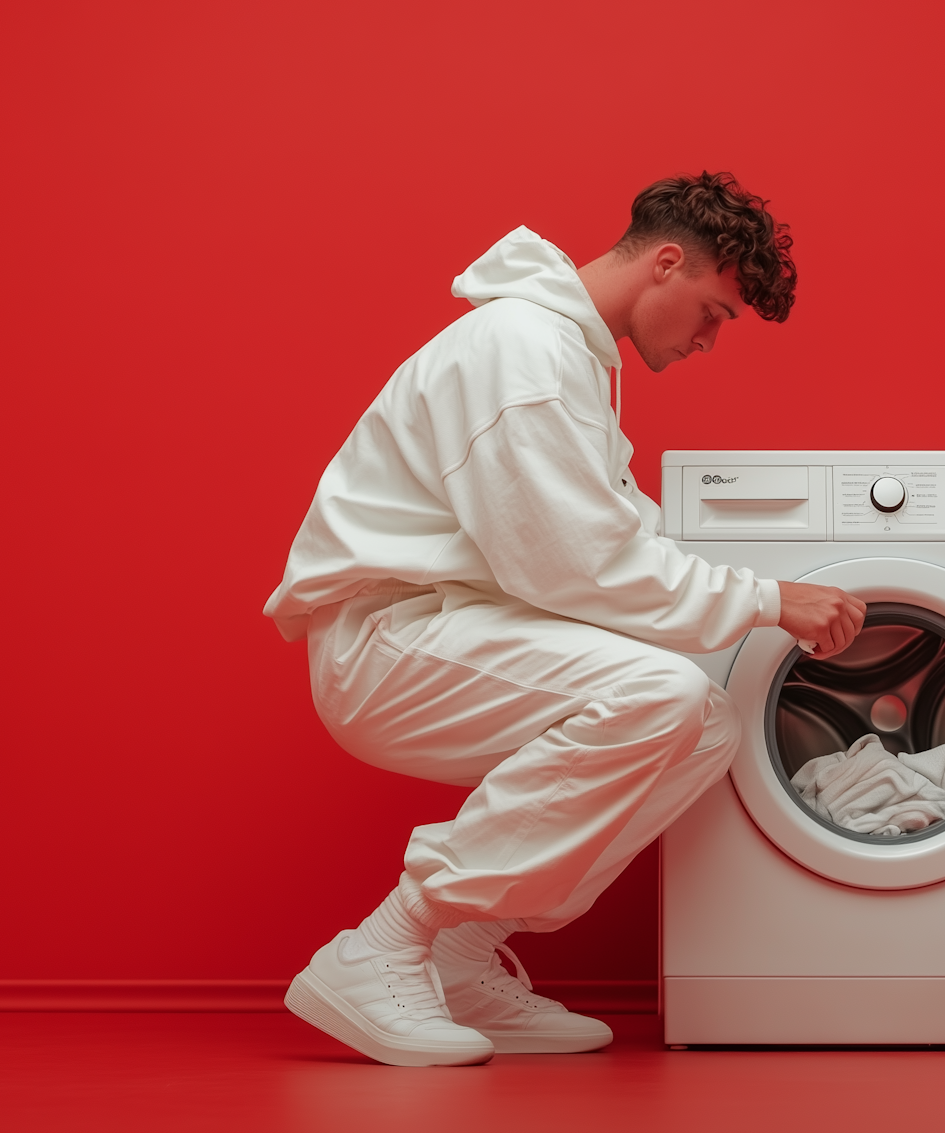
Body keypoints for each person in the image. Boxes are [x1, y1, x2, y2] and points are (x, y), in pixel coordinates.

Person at [264, 171, 866, 1066]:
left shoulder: (567, 357)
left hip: (452, 628)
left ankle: (459, 960)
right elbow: (579, 566)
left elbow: (607, 546)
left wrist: (746, 603)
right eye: (714, 312)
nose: (708, 341)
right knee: (662, 695)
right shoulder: (524, 355)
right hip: (388, 640)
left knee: (703, 722)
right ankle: (384, 946)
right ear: (667, 262)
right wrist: (771, 602)